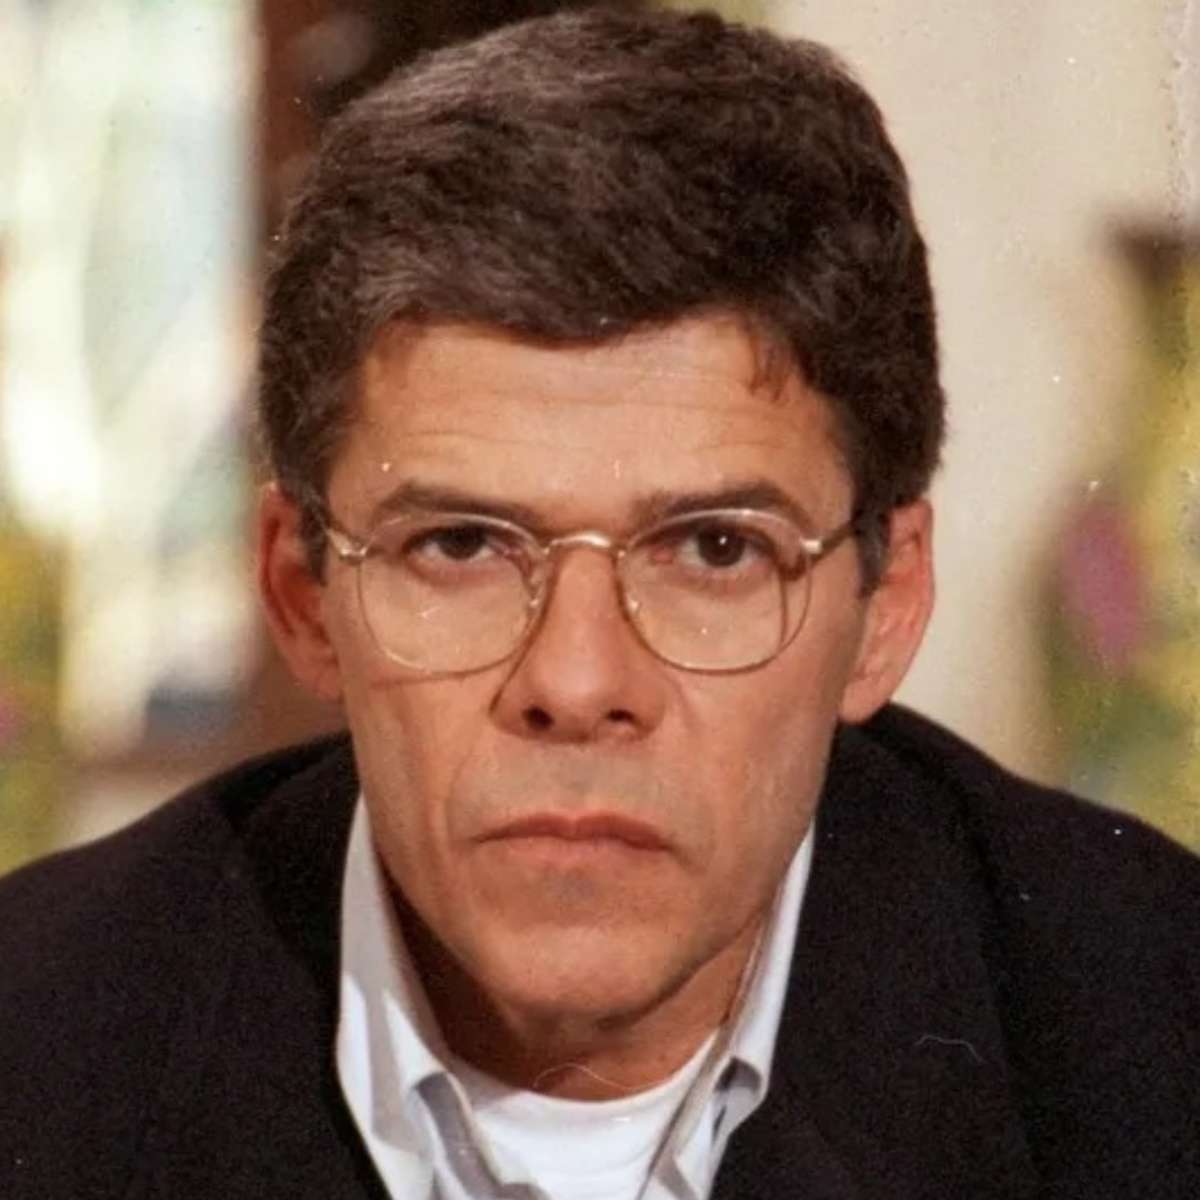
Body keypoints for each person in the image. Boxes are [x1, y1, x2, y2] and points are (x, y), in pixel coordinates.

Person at [2, 8, 1197, 1199]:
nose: (576, 684)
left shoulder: (1153, 1039)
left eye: (716, 550)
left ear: (885, 605)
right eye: (460, 545)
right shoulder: (38, 1047)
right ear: (303, 593)